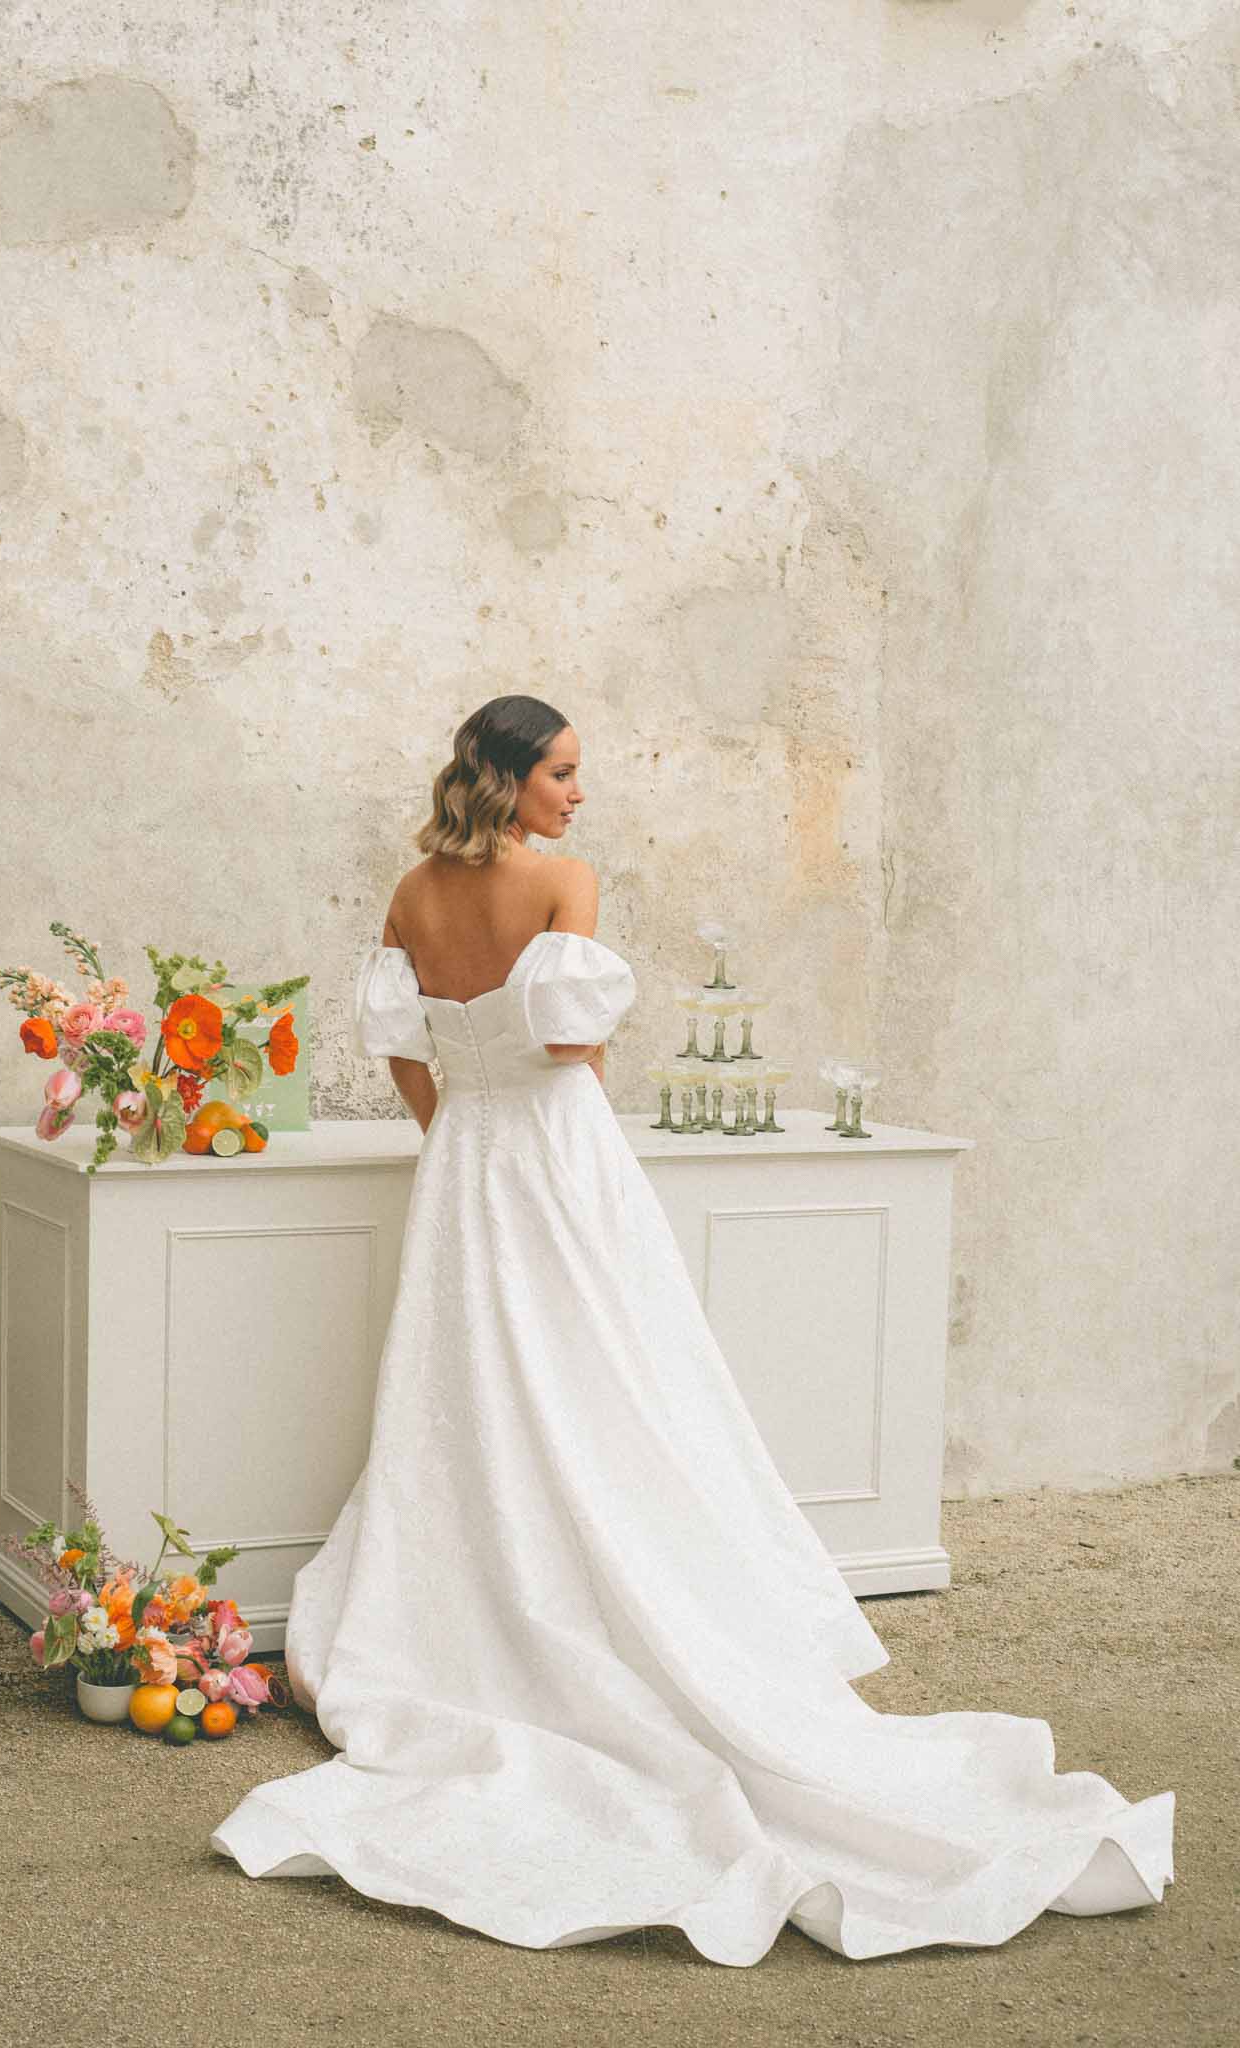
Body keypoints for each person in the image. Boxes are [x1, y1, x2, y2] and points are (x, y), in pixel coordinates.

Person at [211, 694, 1174, 1966]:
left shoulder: (409, 889)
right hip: (556, 1148)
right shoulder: (565, 880)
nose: (578, 792)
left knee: (480, 1377)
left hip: (463, 1161)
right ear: (509, 778)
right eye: (561, 771)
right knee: (610, 1370)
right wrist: (573, 1144)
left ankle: (500, 1586)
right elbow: (570, 1039)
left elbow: (406, 1053)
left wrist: (455, 1128)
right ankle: (617, 1576)